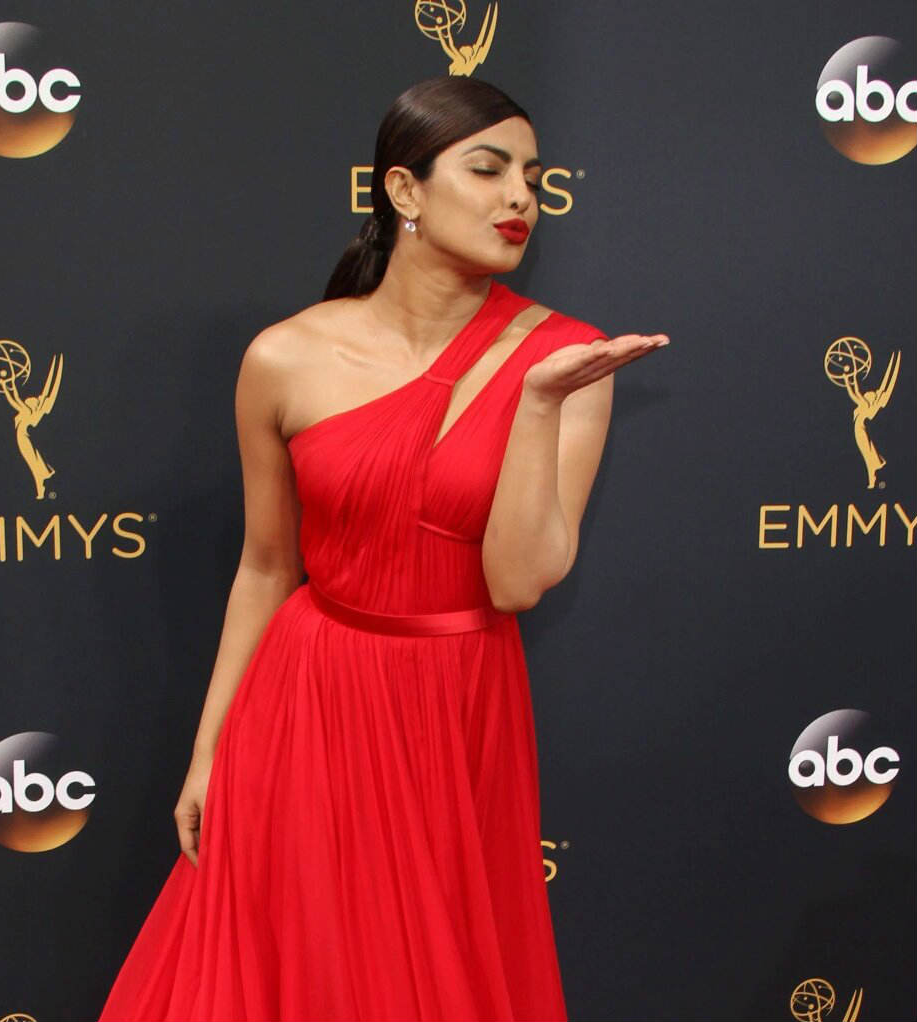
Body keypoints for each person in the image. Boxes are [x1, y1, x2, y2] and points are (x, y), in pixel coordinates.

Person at [99, 75, 668, 1022]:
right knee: (304, 975)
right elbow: (267, 568)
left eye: (532, 174)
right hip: (307, 700)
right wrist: (210, 753)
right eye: (487, 170)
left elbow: (518, 580)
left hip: (458, 708)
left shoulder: (569, 360)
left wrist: (534, 405)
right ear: (404, 192)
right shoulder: (285, 357)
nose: (519, 196)